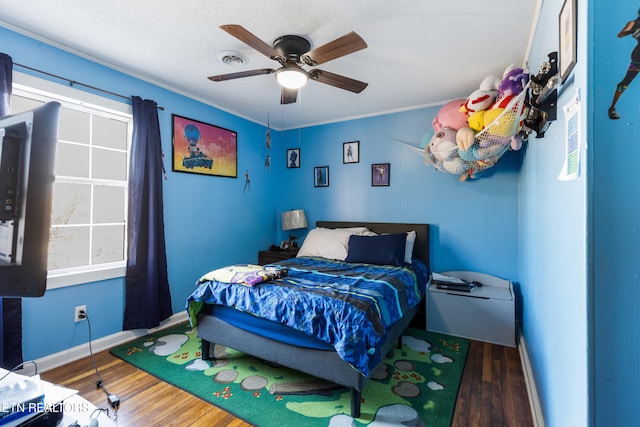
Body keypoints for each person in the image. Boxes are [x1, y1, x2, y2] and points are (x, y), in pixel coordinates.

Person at [608, 9, 640, 120]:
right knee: (626, 81)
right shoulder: (634, 23)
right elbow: (620, 34)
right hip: (638, 57)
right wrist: (631, 31)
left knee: (626, 81)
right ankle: (612, 108)